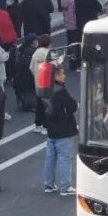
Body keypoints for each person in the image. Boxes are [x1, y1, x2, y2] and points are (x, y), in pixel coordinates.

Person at [42, 64, 78, 195]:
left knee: (50, 158)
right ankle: (66, 187)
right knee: (65, 158)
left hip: (51, 129)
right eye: (62, 73)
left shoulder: (46, 89)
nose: (64, 75)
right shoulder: (61, 91)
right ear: (56, 75)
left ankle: (49, 184)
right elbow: (72, 106)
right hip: (63, 129)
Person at [29, 34, 52, 134]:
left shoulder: (36, 53)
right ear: (49, 43)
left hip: (38, 83)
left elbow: (31, 67)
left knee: (39, 105)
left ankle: (38, 125)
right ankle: (46, 126)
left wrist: (36, 75)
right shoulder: (49, 54)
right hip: (47, 84)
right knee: (47, 106)